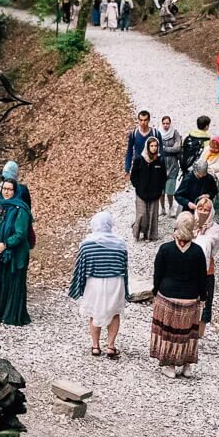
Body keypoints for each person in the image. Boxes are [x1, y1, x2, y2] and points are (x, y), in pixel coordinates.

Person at [149, 212, 207, 377]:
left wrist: (155, 291)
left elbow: (157, 274)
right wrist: (203, 297)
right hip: (189, 297)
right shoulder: (197, 251)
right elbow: (202, 278)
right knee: (188, 332)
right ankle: (187, 365)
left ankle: (170, 365)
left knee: (168, 332)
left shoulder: (165, 249)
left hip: (168, 295)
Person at [69, 211, 129, 358]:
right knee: (114, 313)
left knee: (94, 313)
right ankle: (110, 346)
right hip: (115, 282)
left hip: (94, 282)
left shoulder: (87, 245)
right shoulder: (120, 244)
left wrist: (78, 286)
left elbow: (80, 268)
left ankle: (95, 346)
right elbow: (124, 267)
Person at [0, 180, 33, 325]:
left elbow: (20, 233)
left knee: (13, 281)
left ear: (15, 191)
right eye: (4, 189)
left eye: (10, 189)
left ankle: (11, 315)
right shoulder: (0, 205)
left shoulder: (21, 209)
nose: (6, 192)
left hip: (15, 253)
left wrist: (6, 244)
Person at [193, 195, 219, 334]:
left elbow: (214, 249)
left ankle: (200, 333)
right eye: (200, 208)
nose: (203, 211)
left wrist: (203, 234)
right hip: (189, 267)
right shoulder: (190, 222)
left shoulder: (215, 228)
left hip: (207, 269)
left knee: (206, 300)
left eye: (206, 209)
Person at [130, 135, 168, 241]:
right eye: (151, 146)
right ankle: (137, 232)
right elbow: (133, 176)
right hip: (141, 192)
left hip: (155, 193)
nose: (154, 148)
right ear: (147, 146)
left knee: (152, 215)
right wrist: (137, 186)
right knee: (142, 214)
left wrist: (160, 189)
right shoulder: (139, 159)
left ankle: (150, 235)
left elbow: (163, 177)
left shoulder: (160, 160)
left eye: (156, 146)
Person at [159, 116, 183, 216]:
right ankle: (162, 208)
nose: (165, 125)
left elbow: (177, 147)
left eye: (167, 123)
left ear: (170, 123)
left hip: (173, 164)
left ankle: (171, 207)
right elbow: (156, 147)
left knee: (170, 189)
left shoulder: (175, 133)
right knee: (161, 190)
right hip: (161, 164)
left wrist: (164, 149)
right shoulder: (158, 133)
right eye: (164, 123)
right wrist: (169, 149)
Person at [124, 110, 161, 175]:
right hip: (138, 166)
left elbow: (161, 151)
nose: (143, 122)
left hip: (152, 167)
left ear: (149, 120)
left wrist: (160, 167)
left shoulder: (155, 133)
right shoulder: (134, 134)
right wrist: (127, 168)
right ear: (138, 120)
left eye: (145, 120)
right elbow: (129, 151)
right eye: (141, 120)